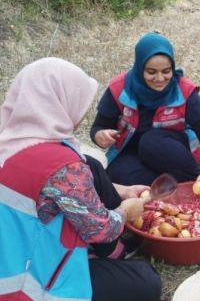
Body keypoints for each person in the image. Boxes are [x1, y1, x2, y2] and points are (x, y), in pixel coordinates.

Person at [0, 57, 161, 301]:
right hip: (29, 282)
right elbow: (101, 230)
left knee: (92, 163)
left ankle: (108, 256)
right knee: (146, 280)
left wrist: (123, 190)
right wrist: (127, 211)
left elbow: (55, 187)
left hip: (13, 251)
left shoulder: (11, 140)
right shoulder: (61, 164)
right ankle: (107, 257)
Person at [91, 31, 200, 190]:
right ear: (140, 67)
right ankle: (175, 190)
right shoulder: (119, 89)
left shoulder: (184, 90)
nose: (160, 79)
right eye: (151, 72)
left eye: (166, 71)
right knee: (116, 174)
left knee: (150, 142)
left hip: (171, 152)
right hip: (132, 153)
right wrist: (100, 136)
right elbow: (97, 128)